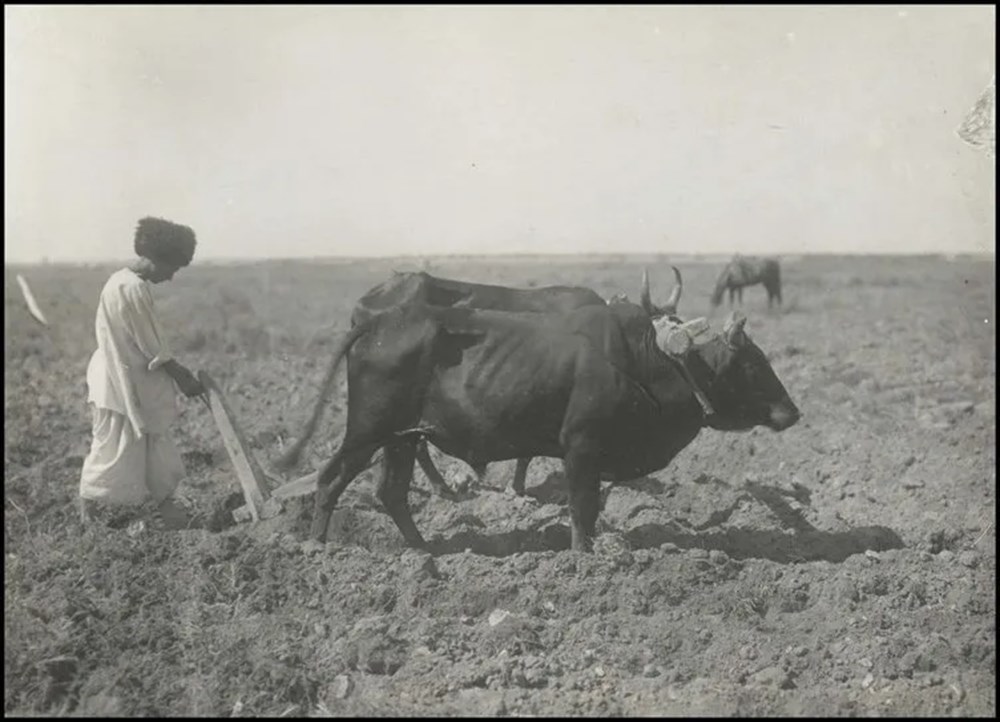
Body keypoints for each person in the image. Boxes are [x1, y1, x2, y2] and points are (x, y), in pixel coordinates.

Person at [79, 216, 207, 530]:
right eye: (172, 268)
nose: (171, 277)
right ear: (156, 259)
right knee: (112, 448)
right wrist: (182, 376)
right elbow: (153, 346)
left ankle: (166, 508)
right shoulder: (131, 288)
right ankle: (88, 516)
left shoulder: (122, 281)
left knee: (150, 444)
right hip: (118, 381)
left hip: (130, 379)